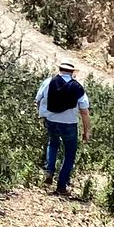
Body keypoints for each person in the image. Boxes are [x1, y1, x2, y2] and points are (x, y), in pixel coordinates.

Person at [35, 61, 91, 197]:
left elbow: (37, 100)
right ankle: (61, 185)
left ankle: (49, 171)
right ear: (72, 72)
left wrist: (41, 116)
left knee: (53, 143)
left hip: (51, 121)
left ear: (59, 70)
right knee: (70, 153)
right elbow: (84, 111)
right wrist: (86, 131)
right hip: (70, 124)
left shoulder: (49, 82)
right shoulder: (78, 87)